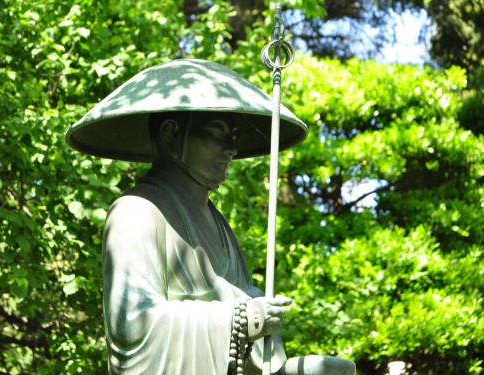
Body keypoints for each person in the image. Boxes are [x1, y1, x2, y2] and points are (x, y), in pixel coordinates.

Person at [66, 59, 356, 374]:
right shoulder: (137, 211)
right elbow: (132, 327)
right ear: (172, 136)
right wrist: (241, 319)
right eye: (218, 132)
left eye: (233, 135)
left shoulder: (218, 222)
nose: (232, 147)